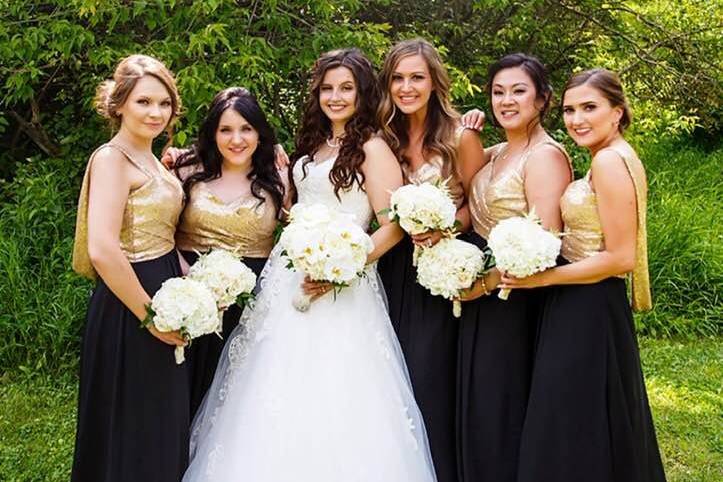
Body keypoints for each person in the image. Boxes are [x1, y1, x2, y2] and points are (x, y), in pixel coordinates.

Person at [183, 48, 437, 481]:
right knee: (268, 384)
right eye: (327, 88)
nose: (335, 97)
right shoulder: (311, 145)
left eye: (346, 88)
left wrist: (345, 266)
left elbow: (393, 224)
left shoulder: (373, 147)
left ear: (362, 93)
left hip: (342, 285)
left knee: (334, 389)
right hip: (287, 278)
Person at [502, 69, 666, 482]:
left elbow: (620, 257)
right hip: (583, 298)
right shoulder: (608, 155)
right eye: (570, 110)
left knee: (570, 420)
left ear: (618, 111)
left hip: (588, 302)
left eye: (589, 108)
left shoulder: (610, 162)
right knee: (587, 415)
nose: (577, 119)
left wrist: (542, 279)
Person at [71, 54, 190, 482]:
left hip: (166, 287)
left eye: (164, 103)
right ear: (119, 104)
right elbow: (103, 248)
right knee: (130, 420)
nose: (155, 113)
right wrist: (150, 316)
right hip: (130, 301)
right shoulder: (112, 159)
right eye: (143, 102)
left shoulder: (155, 160)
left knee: (159, 419)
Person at [457, 53, 572, 482]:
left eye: (518, 91)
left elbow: (543, 243)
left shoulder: (544, 157)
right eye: (498, 92)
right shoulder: (500, 150)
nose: (506, 100)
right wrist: (468, 131)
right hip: (485, 290)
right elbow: (462, 174)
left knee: (504, 403)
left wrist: (482, 285)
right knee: (483, 402)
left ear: (542, 99)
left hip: (518, 296)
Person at [375, 38, 484, 482]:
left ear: (435, 81)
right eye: (398, 78)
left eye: (416, 77)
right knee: (384, 376)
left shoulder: (461, 136)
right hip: (389, 267)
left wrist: (444, 230)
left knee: (429, 375)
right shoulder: (383, 137)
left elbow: (478, 208)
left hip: (439, 271)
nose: (406, 87)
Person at [168, 87, 287, 417]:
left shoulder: (279, 178)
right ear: (213, 133)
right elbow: (162, 233)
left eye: (246, 128)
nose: (237, 139)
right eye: (226, 130)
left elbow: (294, 236)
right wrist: (189, 277)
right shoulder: (187, 171)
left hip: (250, 303)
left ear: (260, 133)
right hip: (187, 291)